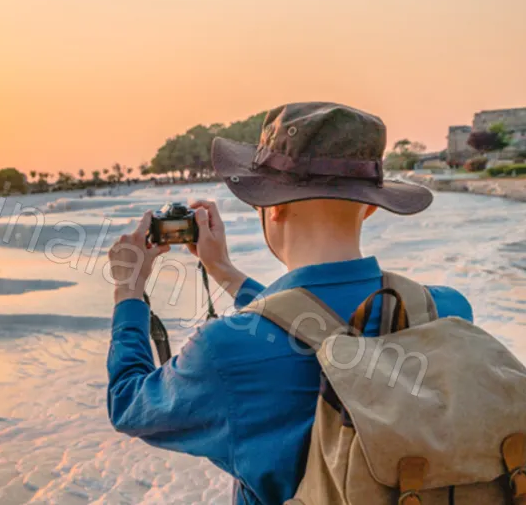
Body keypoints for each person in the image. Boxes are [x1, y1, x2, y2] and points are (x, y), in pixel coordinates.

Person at [105, 102, 474, 505]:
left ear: (273, 206)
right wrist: (225, 271)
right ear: (370, 205)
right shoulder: (445, 312)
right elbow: (313, 328)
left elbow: (128, 403)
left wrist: (129, 293)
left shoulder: (225, 351)